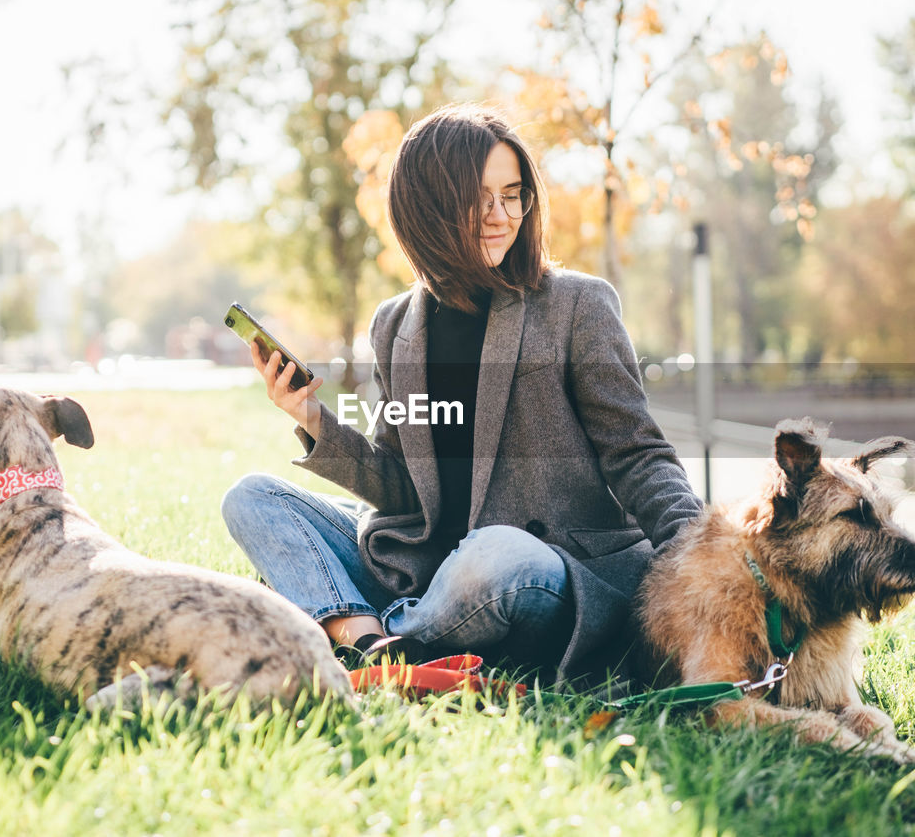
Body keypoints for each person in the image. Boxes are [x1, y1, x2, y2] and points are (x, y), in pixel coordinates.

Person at [221, 103, 702, 684]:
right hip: (423, 563)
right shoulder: (395, 325)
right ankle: (379, 643)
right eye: (480, 199)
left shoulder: (578, 305)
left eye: (513, 194)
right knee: (253, 497)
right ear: (428, 207)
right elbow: (401, 485)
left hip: (533, 569)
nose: (501, 216)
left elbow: (637, 454)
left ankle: (356, 629)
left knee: (491, 554)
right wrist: (312, 418)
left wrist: (698, 553)